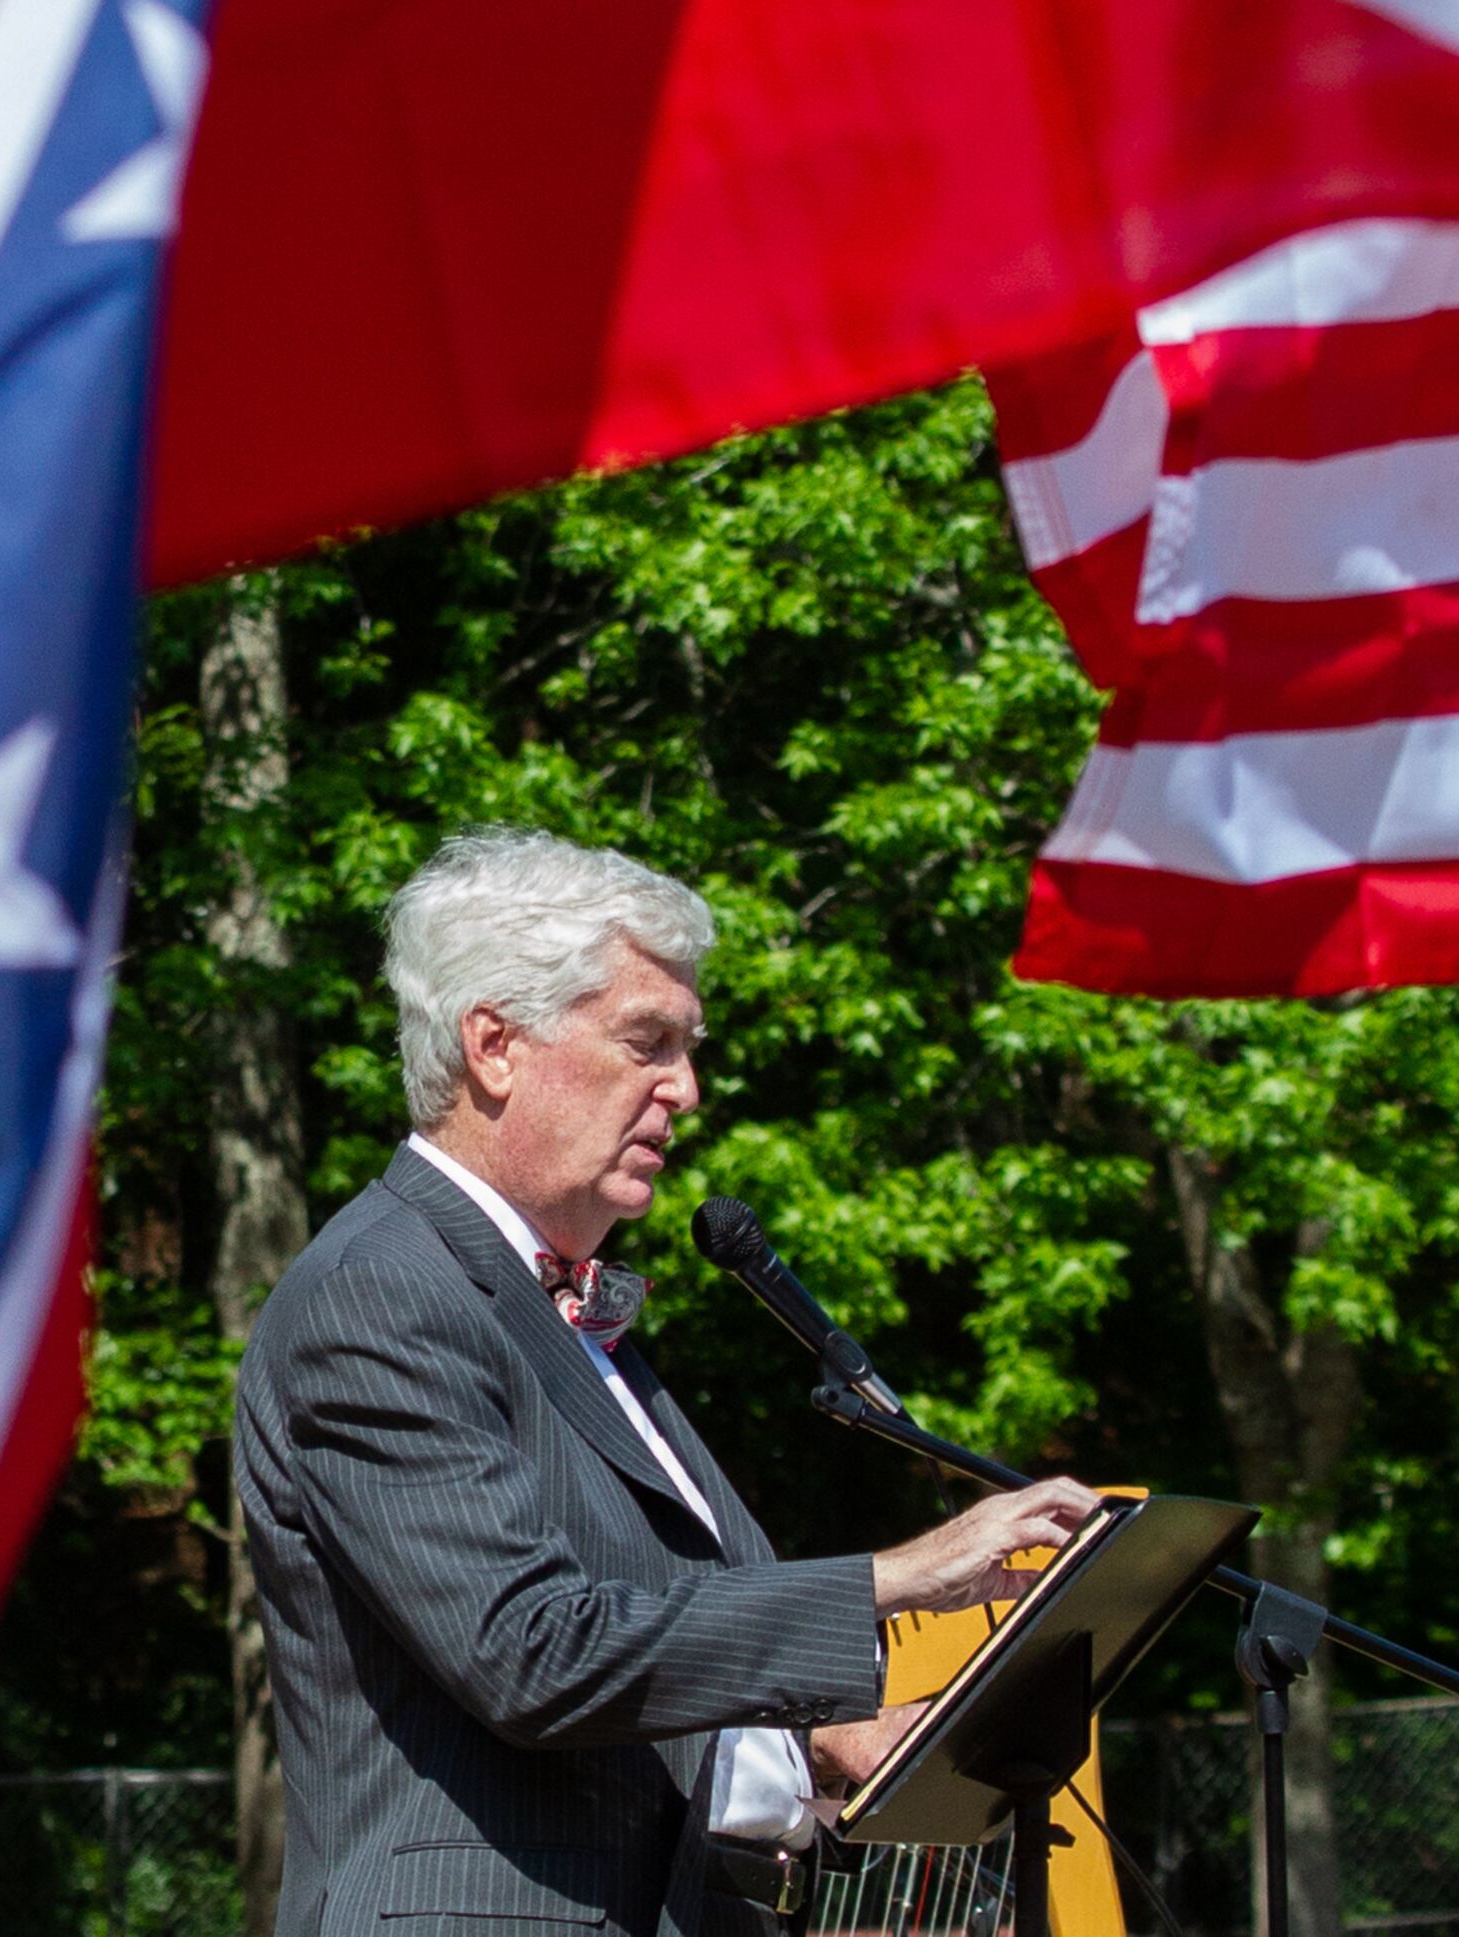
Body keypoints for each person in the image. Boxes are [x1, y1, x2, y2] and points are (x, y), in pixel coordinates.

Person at [235, 827, 1100, 1937]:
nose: (684, 1090)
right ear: (494, 1045)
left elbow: (647, 1632)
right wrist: (898, 1576)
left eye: (689, 1049)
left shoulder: (571, 1313)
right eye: (647, 1043)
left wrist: (831, 1742)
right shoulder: (379, 1295)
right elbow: (530, 1653)